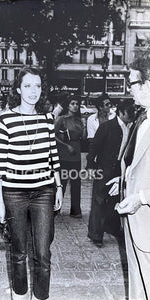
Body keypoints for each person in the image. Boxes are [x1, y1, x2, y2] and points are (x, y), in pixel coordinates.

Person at [0, 67, 63, 300]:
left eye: (38, 86)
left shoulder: (47, 119)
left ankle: (41, 296)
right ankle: (20, 295)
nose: (33, 91)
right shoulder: (5, 120)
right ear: (19, 89)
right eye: (28, 86)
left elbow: (53, 156)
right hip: (14, 193)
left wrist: (58, 186)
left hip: (44, 191)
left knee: (43, 252)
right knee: (18, 251)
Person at [107, 57, 150, 299]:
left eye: (132, 83)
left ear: (148, 84)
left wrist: (141, 197)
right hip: (135, 223)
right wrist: (123, 181)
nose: (128, 89)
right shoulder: (141, 120)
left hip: (145, 217)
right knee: (138, 284)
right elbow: (137, 163)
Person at [86, 99, 135, 247]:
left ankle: (111, 227)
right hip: (103, 168)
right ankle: (96, 235)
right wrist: (90, 166)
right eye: (129, 113)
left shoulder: (131, 128)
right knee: (99, 201)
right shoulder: (106, 127)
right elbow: (94, 147)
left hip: (119, 170)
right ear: (121, 112)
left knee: (115, 200)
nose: (131, 115)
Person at [55, 96, 84, 218]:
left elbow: (83, 137)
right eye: (72, 103)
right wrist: (66, 145)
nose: (75, 106)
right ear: (68, 106)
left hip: (76, 154)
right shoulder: (62, 119)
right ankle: (56, 208)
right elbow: (53, 135)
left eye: (77, 104)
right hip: (64, 154)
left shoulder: (79, 120)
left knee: (76, 183)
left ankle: (75, 210)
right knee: (61, 182)